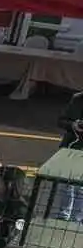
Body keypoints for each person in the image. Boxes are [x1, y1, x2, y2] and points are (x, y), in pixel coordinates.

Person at [56, 90, 83, 220]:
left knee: (81, 188)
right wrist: (72, 125)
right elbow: (61, 121)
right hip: (71, 148)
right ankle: (63, 217)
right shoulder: (77, 99)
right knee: (68, 184)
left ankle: (76, 220)